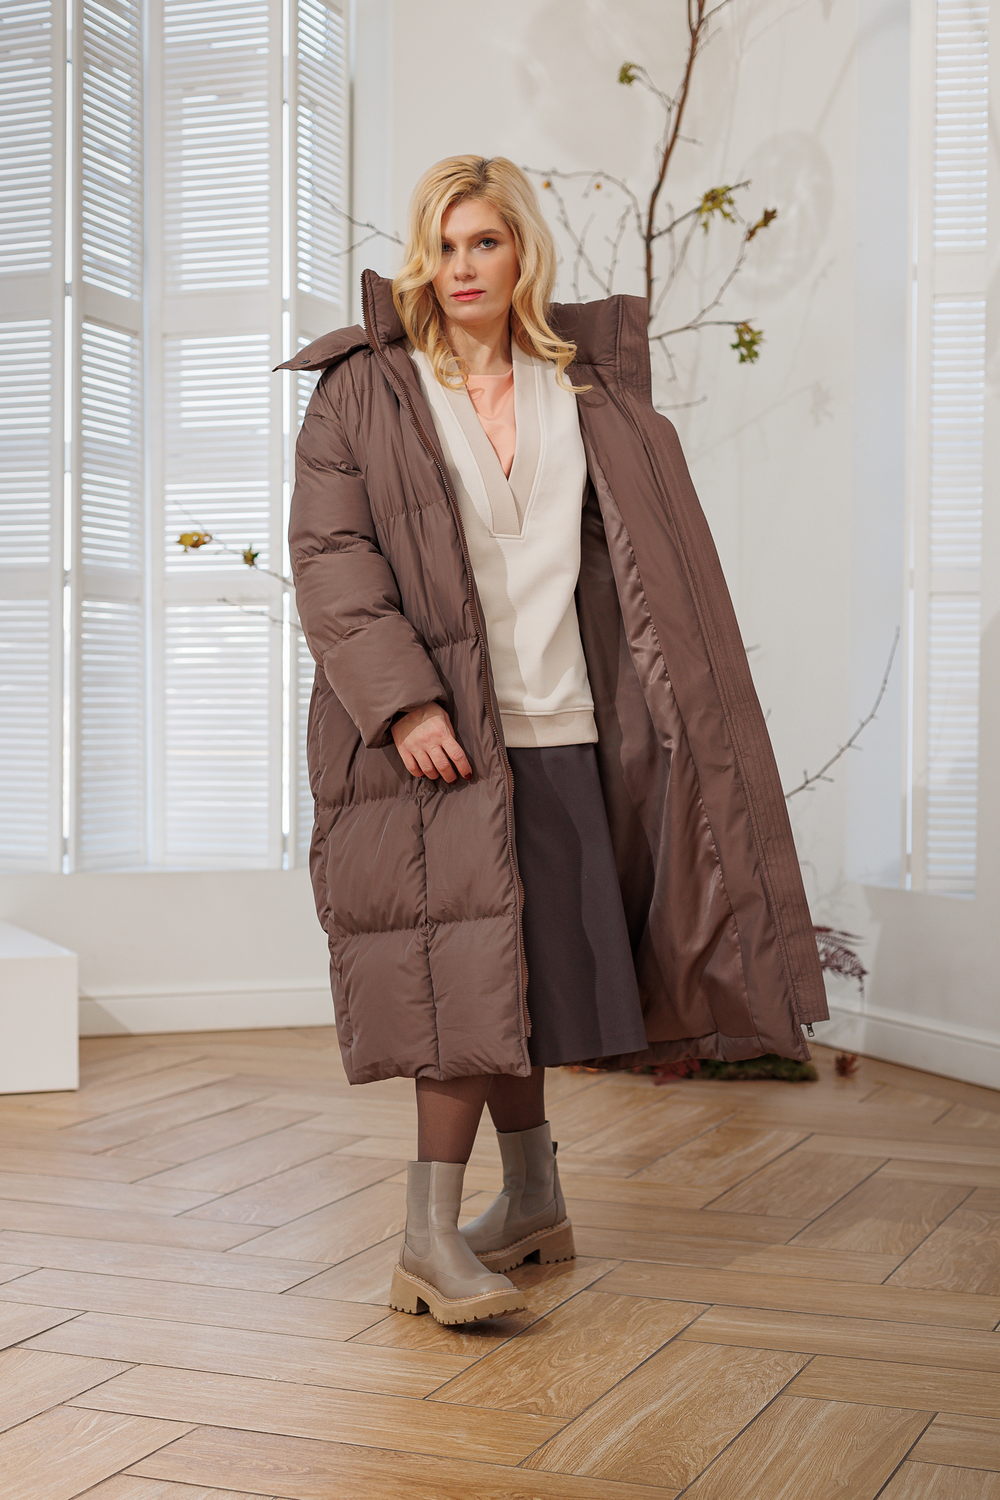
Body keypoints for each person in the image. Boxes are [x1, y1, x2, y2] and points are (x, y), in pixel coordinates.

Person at [275, 155, 829, 1328]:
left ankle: (532, 1201)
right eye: (442, 244)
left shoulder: (586, 388)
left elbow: (649, 567)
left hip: (565, 726)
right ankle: (427, 1238)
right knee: (456, 981)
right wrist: (405, 703)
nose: (461, 266)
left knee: (528, 974)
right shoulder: (363, 390)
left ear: (521, 251)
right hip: (431, 736)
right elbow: (331, 562)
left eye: (484, 241)